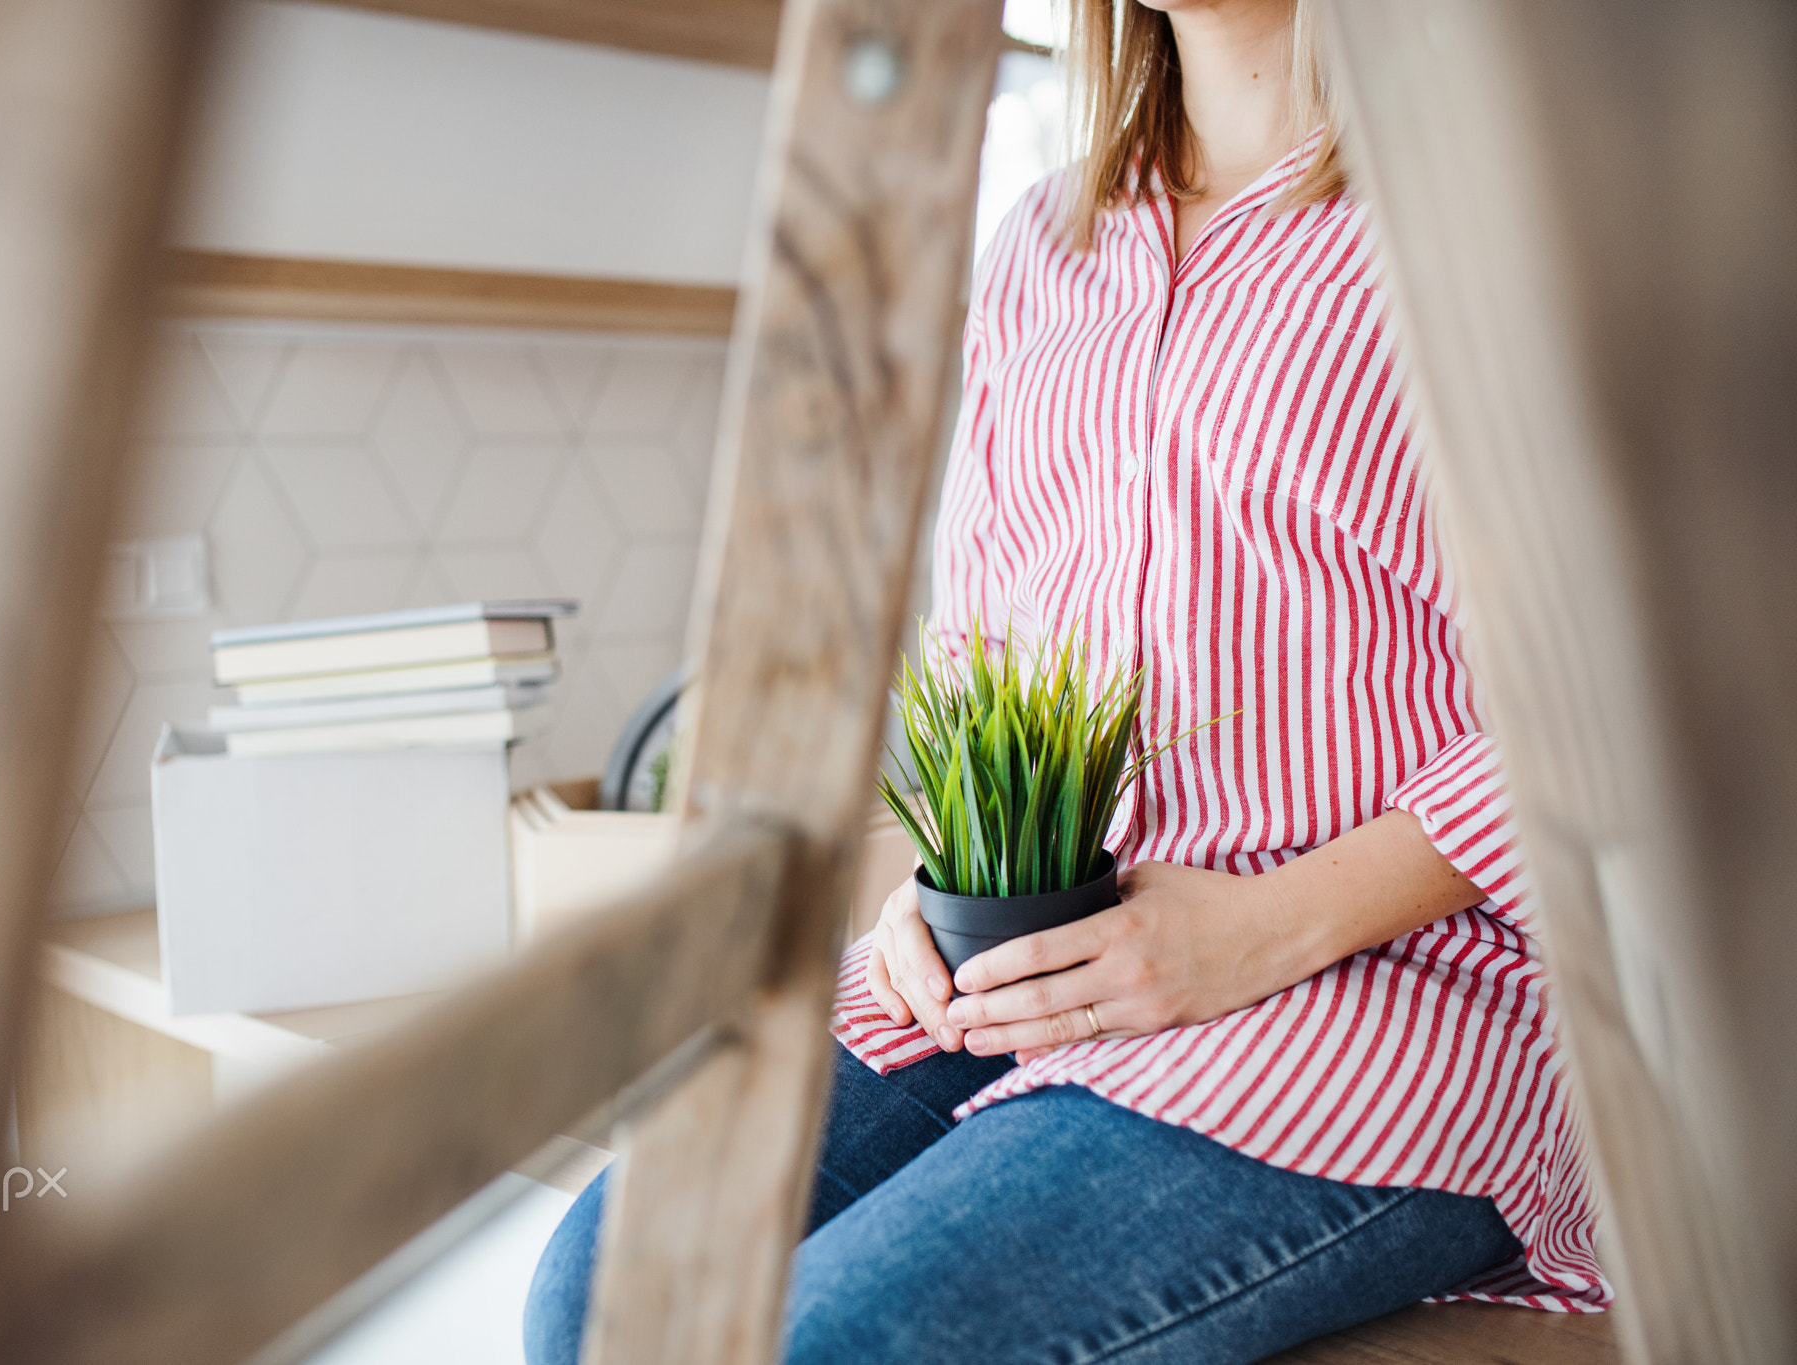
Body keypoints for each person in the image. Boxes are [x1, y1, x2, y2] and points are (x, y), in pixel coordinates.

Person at [526, 1, 1607, 1359]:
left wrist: (1258, 929)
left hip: (1389, 987)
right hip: (1041, 954)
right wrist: (932, 888)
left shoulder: (1508, 200)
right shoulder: (1044, 243)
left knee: (826, 1341)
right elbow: (990, 652)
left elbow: (1614, 705)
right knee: (596, 1302)